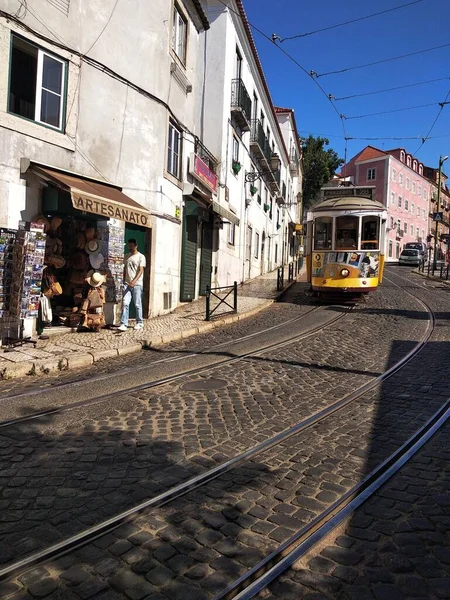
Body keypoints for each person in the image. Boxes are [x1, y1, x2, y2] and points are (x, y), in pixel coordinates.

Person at [118, 239, 146, 331]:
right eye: (129, 246)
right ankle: (123, 323)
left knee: (137, 304)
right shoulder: (126, 256)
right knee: (125, 303)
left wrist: (134, 281)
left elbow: (141, 270)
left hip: (137, 284)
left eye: (131, 246)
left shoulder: (141, 257)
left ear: (136, 246)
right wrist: (123, 280)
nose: (130, 248)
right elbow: (125, 269)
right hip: (126, 284)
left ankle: (140, 322)